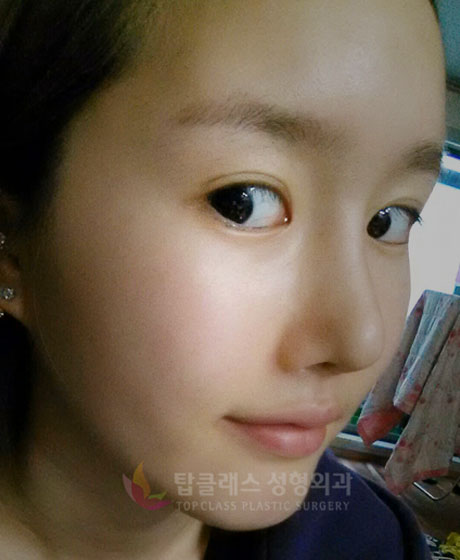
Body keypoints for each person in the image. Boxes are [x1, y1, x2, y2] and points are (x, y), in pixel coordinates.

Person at [0, 0, 445, 558]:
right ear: (12, 246)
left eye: (389, 219)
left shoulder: (376, 546)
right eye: (243, 202)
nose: (361, 340)